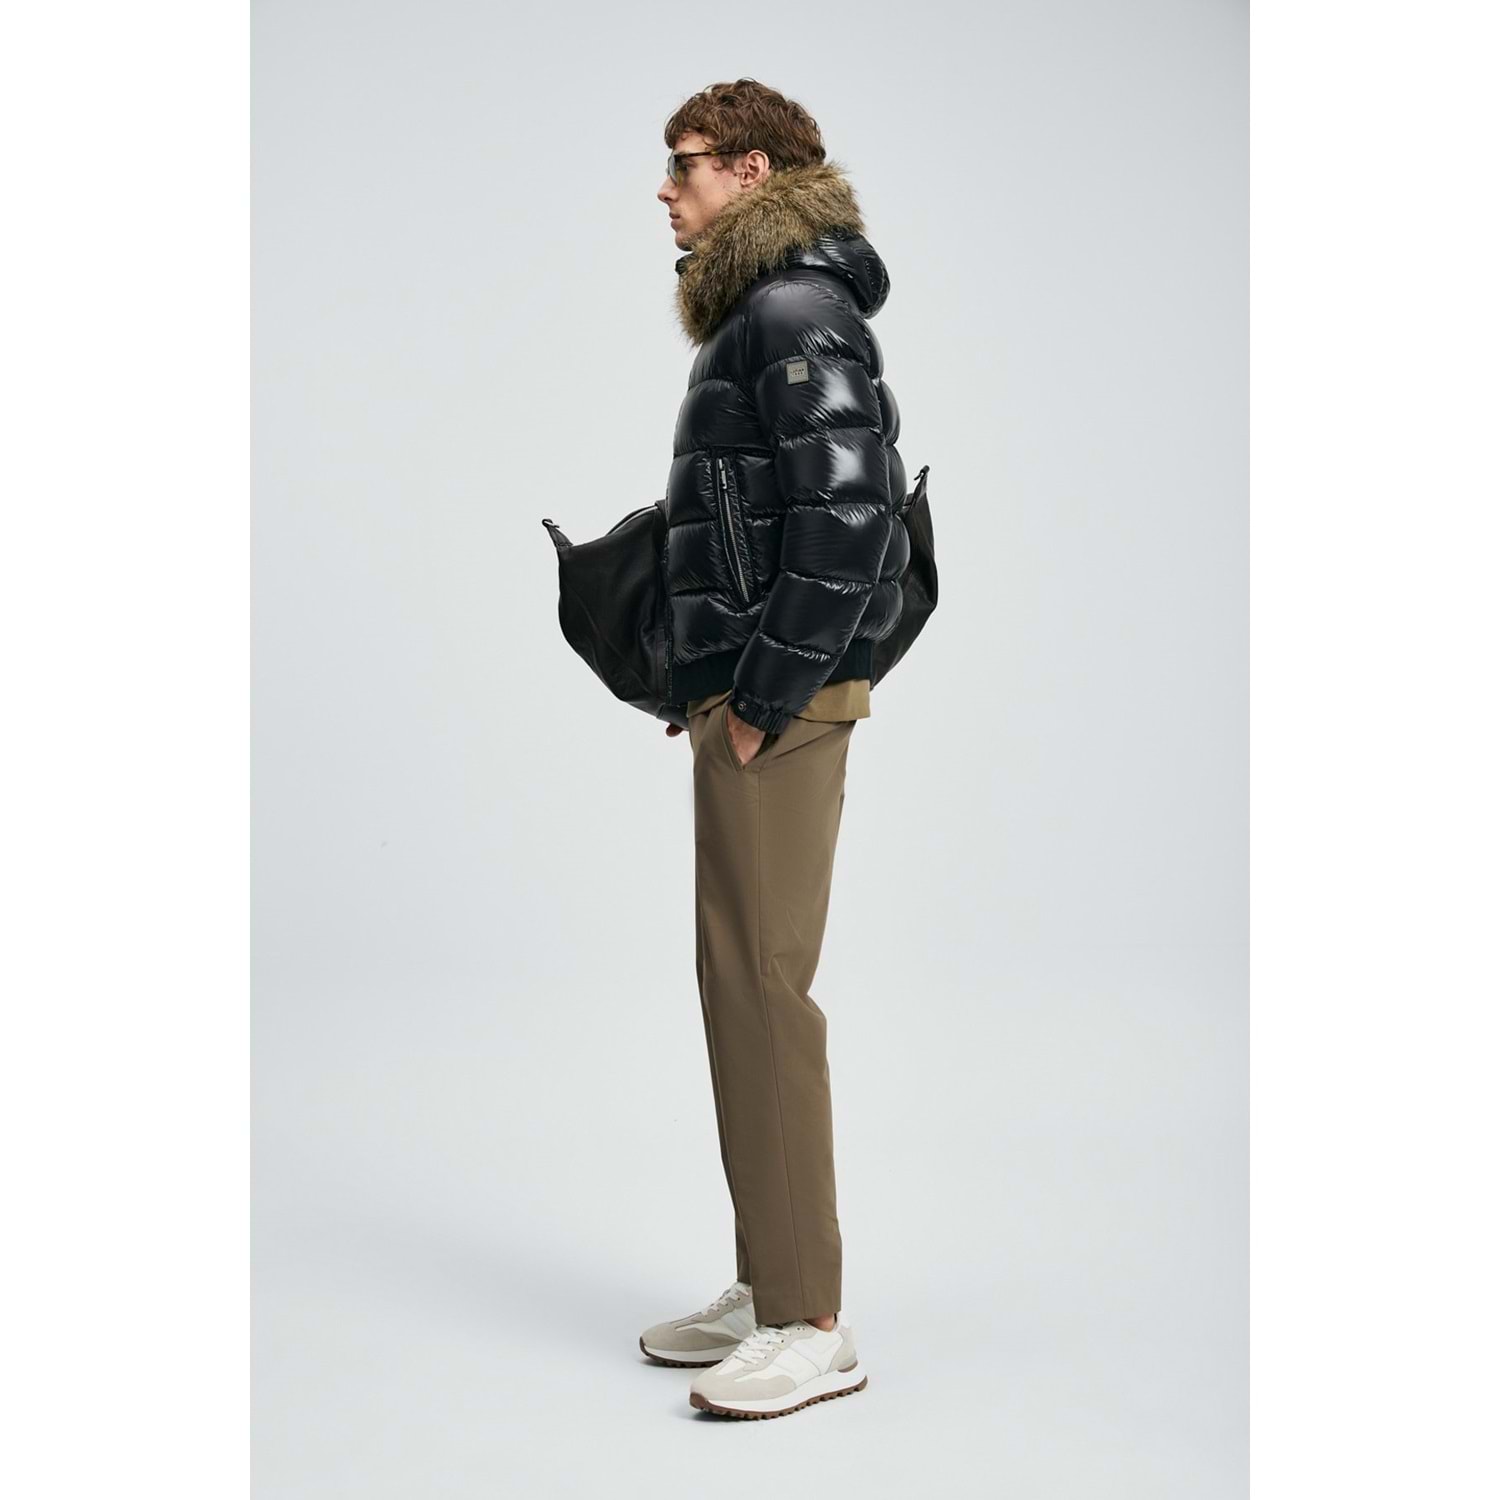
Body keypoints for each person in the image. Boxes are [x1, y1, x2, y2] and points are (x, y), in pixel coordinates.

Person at [639, 79, 912, 1420]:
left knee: (763, 985)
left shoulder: (796, 311)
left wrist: (760, 694)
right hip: (753, 693)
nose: (665, 189)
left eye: (684, 164)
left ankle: (811, 1323)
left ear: (751, 171)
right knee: (735, 985)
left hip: (781, 702)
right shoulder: (762, 310)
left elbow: (849, 520)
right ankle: (770, 1279)